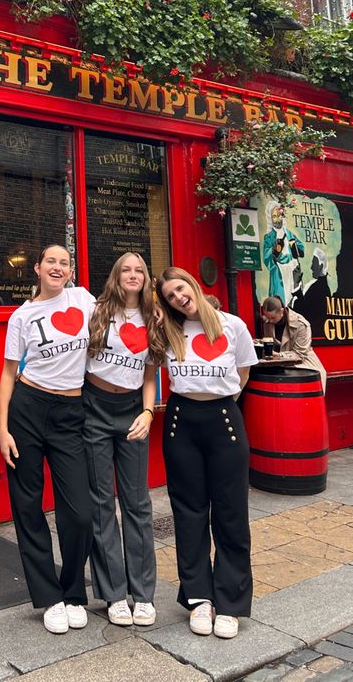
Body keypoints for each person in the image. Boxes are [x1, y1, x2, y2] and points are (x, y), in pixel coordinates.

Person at [0, 244, 96, 635]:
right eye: (50, 262)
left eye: (64, 262)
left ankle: (73, 591)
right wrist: (3, 429)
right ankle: (49, 597)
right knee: (28, 505)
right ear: (36, 269)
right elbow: (8, 374)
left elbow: (124, 314)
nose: (58, 267)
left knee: (80, 512)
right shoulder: (23, 316)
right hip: (28, 407)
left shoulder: (83, 299)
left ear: (71, 270)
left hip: (71, 412)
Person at [155, 266, 257, 640]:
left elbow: (243, 373)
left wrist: (221, 401)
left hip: (224, 419)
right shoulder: (169, 329)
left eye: (180, 289)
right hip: (181, 420)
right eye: (170, 296)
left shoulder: (233, 326)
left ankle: (230, 601)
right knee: (189, 511)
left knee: (231, 511)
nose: (178, 298)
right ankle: (199, 598)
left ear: (192, 285)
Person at [84, 252, 166, 628]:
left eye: (139, 270)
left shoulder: (154, 318)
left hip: (134, 409)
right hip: (94, 408)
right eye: (126, 270)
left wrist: (148, 413)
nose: (133, 275)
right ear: (116, 277)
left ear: (146, 279)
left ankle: (143, 594)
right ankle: (114, 594)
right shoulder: (96, 311)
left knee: (137, 503)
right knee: (101, 503)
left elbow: (151, 376)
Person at [261, 296, 327, 391]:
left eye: (273, 317)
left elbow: (300, 354)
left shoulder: (301, 324)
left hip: (304, 363)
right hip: (280, 364)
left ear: (282, 311)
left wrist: (279, 355)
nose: (269, 321)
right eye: (267, 317)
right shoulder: (268, 323)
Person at [263, 201, 305, 307]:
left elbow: (301, 248)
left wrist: (295, 247)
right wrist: (275, 250)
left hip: (293, 270)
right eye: (274, 216)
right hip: (279, 272)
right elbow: (266, 257)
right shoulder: (269, 237)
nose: (277, 219)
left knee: (294, 300)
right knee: (280, 301)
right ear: (270, 219)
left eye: (279, 215)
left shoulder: (289, 233)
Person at [293, 248, 332, 333]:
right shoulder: (320, 286)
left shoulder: (319, 289)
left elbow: (303, 313)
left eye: (313, 263)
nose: (311, 267)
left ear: (321, 266)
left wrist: (296, 284)